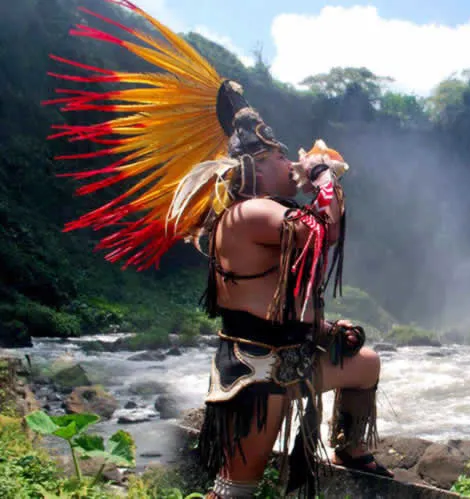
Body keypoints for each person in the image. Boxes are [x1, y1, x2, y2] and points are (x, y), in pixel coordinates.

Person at [43, 1, 391, 497]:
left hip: (289, 354)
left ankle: (350, 447)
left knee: (367, 362)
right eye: (277, 157)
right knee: (234, 492)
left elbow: (290, 277)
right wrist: (320, 176)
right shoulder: (251, 214)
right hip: (252, 374)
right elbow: (323, 233)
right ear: (253, 167)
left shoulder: (264, 210)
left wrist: (323, 327)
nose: (286, 163)